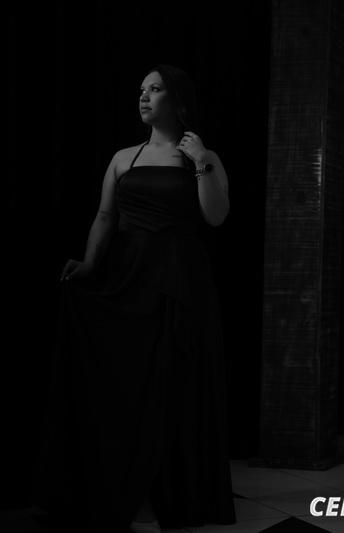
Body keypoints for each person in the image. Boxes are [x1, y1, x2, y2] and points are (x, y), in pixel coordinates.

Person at [32, 64, 235, 533]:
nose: (143, 97)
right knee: (127, 383)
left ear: (177, 100)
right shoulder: (124, 157)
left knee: (173, 386)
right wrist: (89, 264)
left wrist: (201, 160)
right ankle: (115, 486)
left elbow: (216, 216)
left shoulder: (203, 156)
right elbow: (105, 217)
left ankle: (172, 493)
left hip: (179, 280)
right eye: (142, 90)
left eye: (155, 89)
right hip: (129, 277)